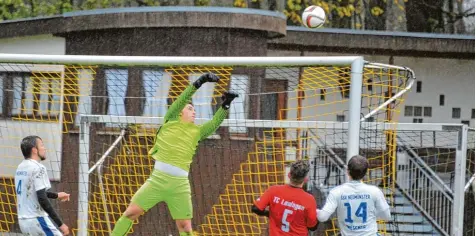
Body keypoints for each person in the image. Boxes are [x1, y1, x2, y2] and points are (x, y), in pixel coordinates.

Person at [111, 73, 238, 236]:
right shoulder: (170, 119)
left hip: (179, 185)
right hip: (157, 180)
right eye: (190, 109)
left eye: (195, 110)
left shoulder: (197, 132)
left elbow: (214, 123)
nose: (194, 112)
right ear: (179, 112)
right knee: (131, 213)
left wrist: (225, 104)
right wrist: (200, 82)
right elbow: (183, 99)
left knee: (185, 226)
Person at [317, 155, 391, 235]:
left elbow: (322, 217)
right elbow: (386, 216)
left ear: (347, 171)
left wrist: (313, 209)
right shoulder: (375, 191)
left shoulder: (336, 192)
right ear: (365, 172)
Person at [15, 135, 71, 235]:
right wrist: (60, 224)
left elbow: (35, 192)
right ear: (34, 150)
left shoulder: (20, 167)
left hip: (23, 221)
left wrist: (57, 195)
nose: (44, 148)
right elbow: (42, 198)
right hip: (36, 219)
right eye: (42, 145)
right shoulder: (39, 168)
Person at [252, 159, 318, 235]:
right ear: (306, 179)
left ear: (289, 175)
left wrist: (269, 214)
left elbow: (255, 208)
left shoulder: (273, 190)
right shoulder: (309, 200)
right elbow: (312, 227)